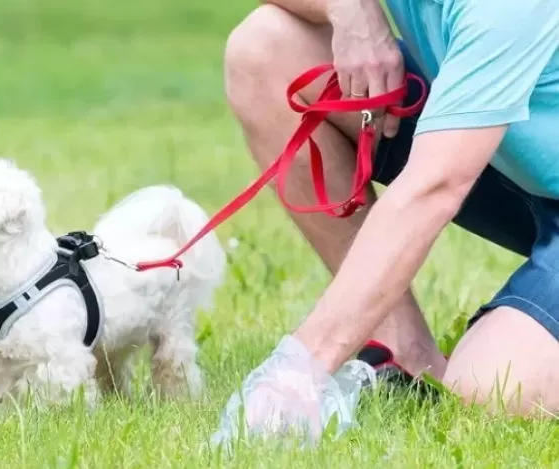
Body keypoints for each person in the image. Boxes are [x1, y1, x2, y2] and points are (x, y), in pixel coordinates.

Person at [216, 0, 559, 441]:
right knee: (264, 48)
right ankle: (406, 360)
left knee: (497, 388)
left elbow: (435, 186)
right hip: (516, 151)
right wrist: (348, 10)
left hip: (480, 152)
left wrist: (302, 365)